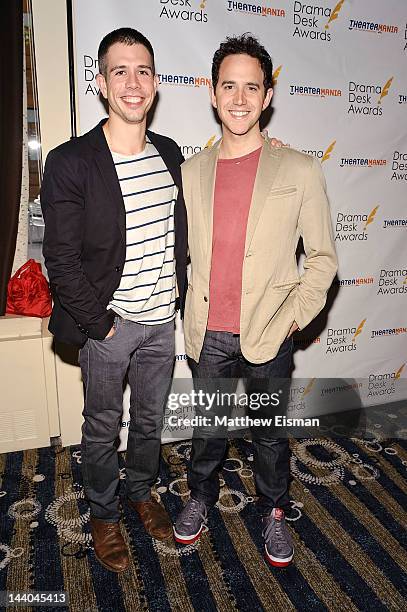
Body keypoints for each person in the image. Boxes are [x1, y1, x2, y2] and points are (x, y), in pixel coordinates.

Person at [174, 34, 338, 567]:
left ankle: (272, 509)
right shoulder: (192, 171)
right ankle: (200, 495)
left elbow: (322, 259)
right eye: (229, 86)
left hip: (270, 329)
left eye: (252, 87)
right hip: (209, 330)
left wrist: (293, 318)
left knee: (270, 436)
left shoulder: (299, 168)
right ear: (212, 92)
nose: (240, 98)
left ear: (267, 95)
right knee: (209, 430)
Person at [41, 28, 188, 572]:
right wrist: (100, 326)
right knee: (102, 426)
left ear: (155, 83)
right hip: (110, 325)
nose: (133, 82)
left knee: (149, 422)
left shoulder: (170, 154)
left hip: (161, 324)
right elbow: (62, 259)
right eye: (120, 71)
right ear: (101, 84)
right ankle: (104, 514)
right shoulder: (72, 161)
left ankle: (142, 492)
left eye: (143, 70)